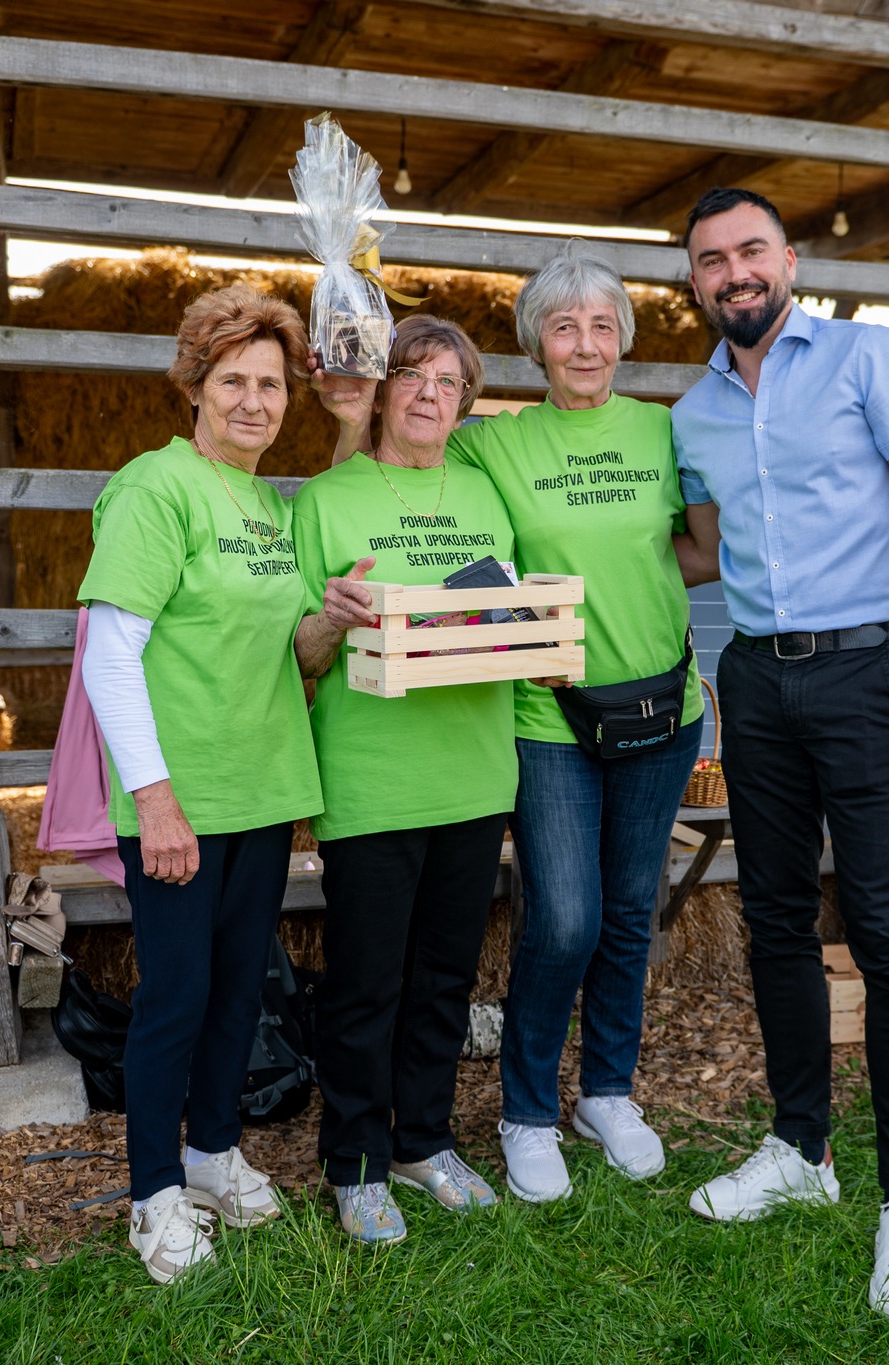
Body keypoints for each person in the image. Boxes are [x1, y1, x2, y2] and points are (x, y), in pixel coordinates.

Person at [670, 187, 889, 1324]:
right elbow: (702, 552)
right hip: (756, 680)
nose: (734, 272)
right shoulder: (692, 413)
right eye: (712, 260)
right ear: (695, 283)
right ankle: (800, 1147)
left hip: (870, 674)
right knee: (774, 920)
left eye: (750, 250)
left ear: (789, 260)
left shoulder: (868, 359)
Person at [365, 241, 708, 1202]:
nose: (585, 344)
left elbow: (701, 549)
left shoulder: (664, 432)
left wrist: (630, 584)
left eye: (602, 326)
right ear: (535, 344)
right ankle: (526, 1111)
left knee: (630, 912)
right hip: (548, 715)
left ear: (623, 339)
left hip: (663, 707)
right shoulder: (495, 444)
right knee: (563, 918)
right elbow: (399, 450)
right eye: (564, 327)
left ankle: (606, 1092)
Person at [76, 283, 322, 1284]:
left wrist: (337, 615)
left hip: (260, 790)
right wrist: (156, 800)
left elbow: (284, 648)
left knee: (236, 989)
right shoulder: (156, 488)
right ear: (194, 386)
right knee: (175, 997)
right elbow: (109, 654)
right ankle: (153, 1196)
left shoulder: (268, 504)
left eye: (271, 383)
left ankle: (214, 1154)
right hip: (181, 799)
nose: (254, 401)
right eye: (234, 381)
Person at [293, 316, 517, 1243]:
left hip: (475, 775)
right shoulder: (325, 500)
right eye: (414, 375)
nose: (431, 393)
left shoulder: (486, 493)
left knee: (444, 982)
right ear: (382, 390)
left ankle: (424, 1141)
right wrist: (330, 618)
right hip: (372, 779)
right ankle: (355, 1162)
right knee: (365, 983)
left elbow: (507, 619)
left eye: (449, 381)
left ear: (465, 403)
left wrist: (542, 651)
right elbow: (299, 656)